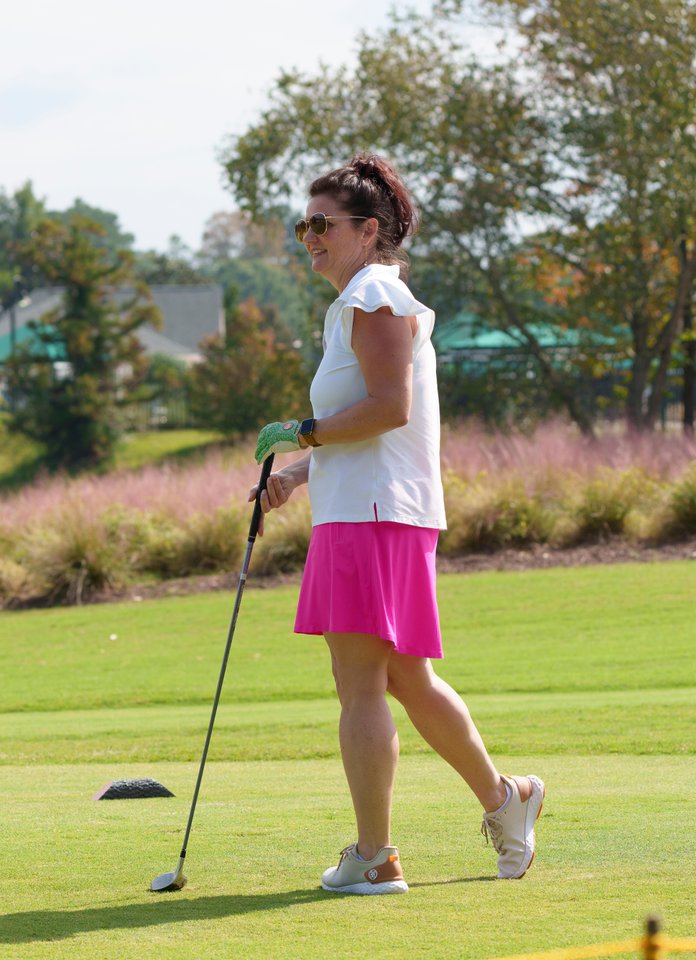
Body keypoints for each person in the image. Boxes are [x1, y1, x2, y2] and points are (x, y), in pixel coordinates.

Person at [253, 155, 543, 895]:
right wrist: (296, 470)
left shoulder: (377, 293)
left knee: (361, 686)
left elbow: (389, 408)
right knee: (407, 678)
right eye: (303, 225)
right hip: (374, 509)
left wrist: (302, 430)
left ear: (368, 230)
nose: (309, 237)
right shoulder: (359, 296)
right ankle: (506, 800)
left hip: (375, 517)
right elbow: (370, 426)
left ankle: (376, 857)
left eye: (324, 224)